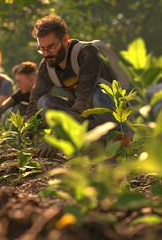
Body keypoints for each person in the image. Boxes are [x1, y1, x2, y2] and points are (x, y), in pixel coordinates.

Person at [26, 14, 126, 158]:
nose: (47, 54)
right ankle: (85, 145)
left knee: (98, 96)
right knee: (44, 102)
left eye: (51, 47)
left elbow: (83, 101)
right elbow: (35, 99)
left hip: (112, 113)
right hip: (86, 119)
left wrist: (57, 136)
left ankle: (115, 143)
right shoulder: (47, 65)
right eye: (42, 49)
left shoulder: (86, 53)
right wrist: (28, 130)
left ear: (65, 40)